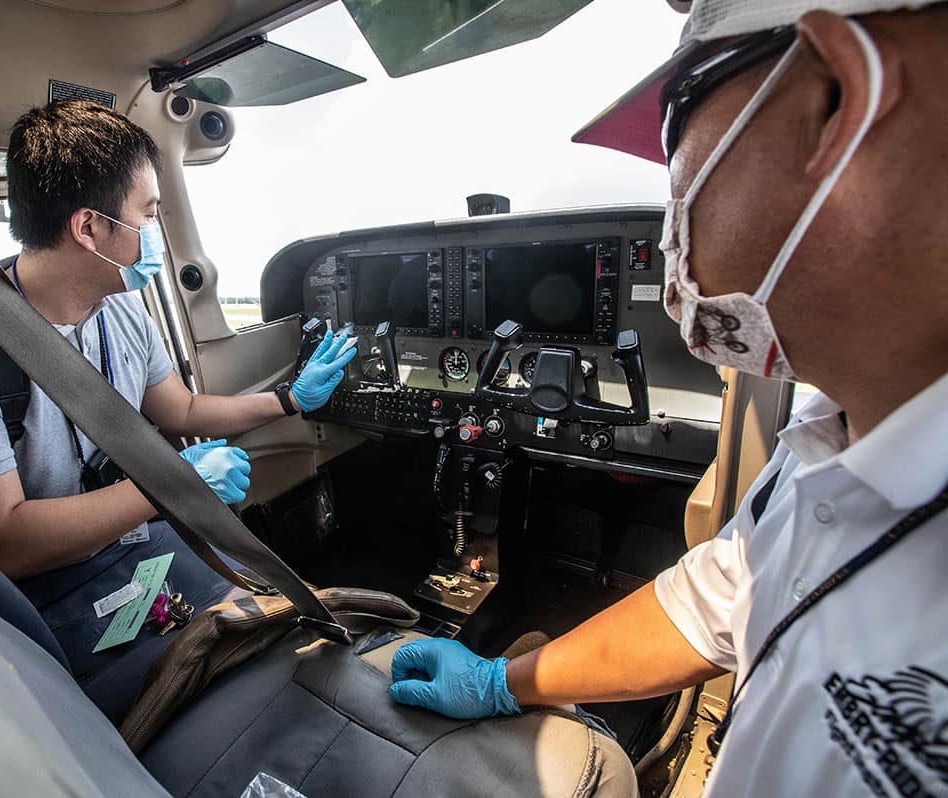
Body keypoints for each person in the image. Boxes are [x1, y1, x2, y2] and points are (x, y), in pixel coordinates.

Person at [387, 1, 948, 795]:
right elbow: (714, 598)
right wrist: (499, 683)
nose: (670, 198)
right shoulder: (829, 438)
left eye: (676, 131)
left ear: (833, 97)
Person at [0, 100, 356, 718]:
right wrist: (172, 485)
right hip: (34, 604)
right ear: (89, 229)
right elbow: (2, 544)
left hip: (135, 552)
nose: (157, 229)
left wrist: (289, 398)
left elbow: (180, 410)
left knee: (295, 647)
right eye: (149, 212)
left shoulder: (122, 304)